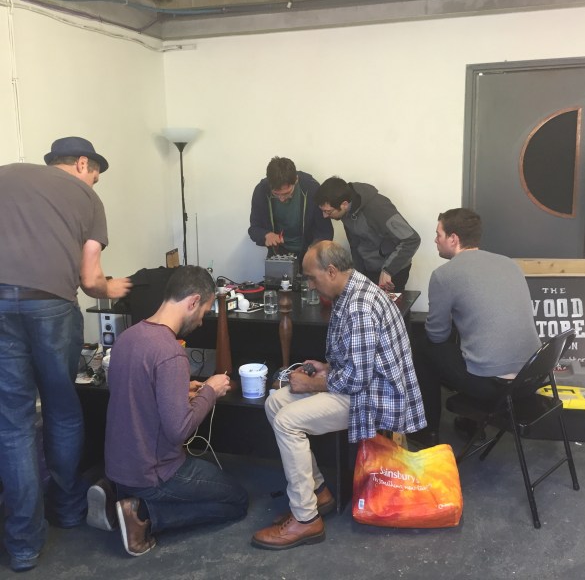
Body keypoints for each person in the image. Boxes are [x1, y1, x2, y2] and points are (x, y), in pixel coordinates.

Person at [0, 136, 131, 572]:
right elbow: (90, 280)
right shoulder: (86, 196)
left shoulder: (5, 176)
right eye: (96, 175)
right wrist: (113, 287)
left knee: (13, 424)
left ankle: (23, 545)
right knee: (62, 408)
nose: (94, 182)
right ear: (82, 164)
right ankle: (69, 509)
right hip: (51, 305)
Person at [251, 241, 426, 550]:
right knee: (275, 402)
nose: (309, 284)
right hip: (365, 385)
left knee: (287, 421)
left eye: (311, 277)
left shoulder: (359, 305)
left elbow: (358, 379)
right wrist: (327, 367)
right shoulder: (350, 290)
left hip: (376, 398)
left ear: (331, 271)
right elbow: (359, 360)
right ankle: (318, 493)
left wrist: (311, 384)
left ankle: (306, 519)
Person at [92, 266, 248, 556]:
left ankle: (118, 495)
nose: (200, 322)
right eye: (203, 312)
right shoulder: (170, 352)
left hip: (118, 466)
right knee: (236, 500)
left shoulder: (129, 337)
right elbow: (180, 430)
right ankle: (144, 516)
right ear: (193, 301)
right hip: (153, 474)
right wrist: (210, 391)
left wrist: (178, 389)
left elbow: (134, 395)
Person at [419, 207, 541, 444]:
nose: (435, 240)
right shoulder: (508, 263)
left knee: (423, 347)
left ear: (453, 239)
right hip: (531, 378)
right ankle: (469, 423)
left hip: (494, 388)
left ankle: (427, 432)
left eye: (438, 234)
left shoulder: (444, 275)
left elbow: (436, 335)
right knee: (469, 341)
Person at [314, 176, 420, 292]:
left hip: (392, 271)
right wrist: (357, 275)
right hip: (369, 268)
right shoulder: (346, 210)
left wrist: (388, 270)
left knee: (389, 304)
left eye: (328, 211)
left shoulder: (378, 208)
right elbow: (355, 245)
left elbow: (412, 240)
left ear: (344, 204)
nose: (325, 216)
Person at [248, 156, 333, 264]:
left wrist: (314, 248)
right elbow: (254, 229)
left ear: (296, 180)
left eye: (286, 193)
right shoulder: (261, 190)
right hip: (278, 254)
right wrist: (266, 235)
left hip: (309, 254)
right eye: (276, 194)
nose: (282, 199)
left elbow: (325, 231)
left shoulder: (311, 188)